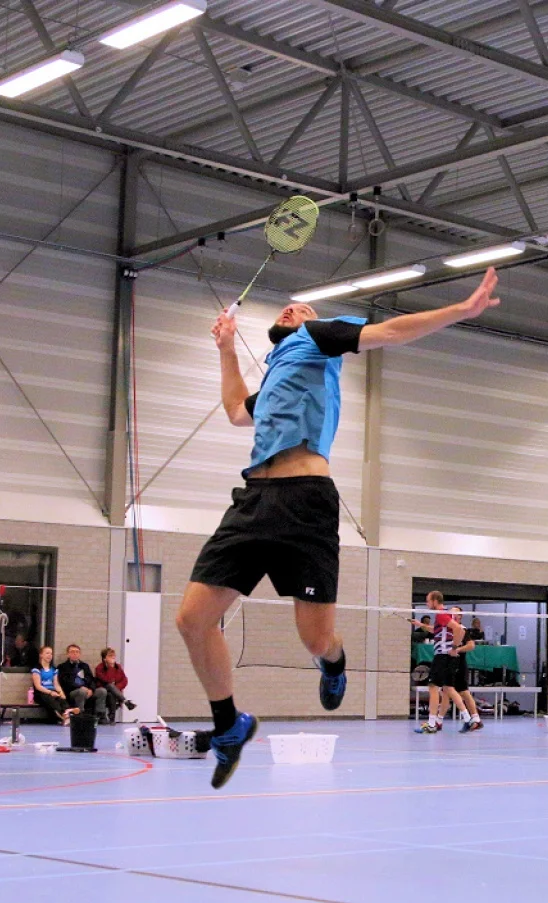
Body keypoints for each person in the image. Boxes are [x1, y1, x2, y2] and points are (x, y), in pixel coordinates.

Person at [174, 268, 501, 788]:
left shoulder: (317, 338)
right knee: (193, 619)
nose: (292, 309)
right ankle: (228, 724)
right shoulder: (280, 372)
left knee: (315, 638)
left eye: (302, 306)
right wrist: (227, 349)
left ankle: (333, 662)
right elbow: (238, 411)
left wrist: (460, 310)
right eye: (287, 308)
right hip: (254, 499)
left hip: (306, 501)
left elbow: (391, 333)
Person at [420, 593, 466, 734]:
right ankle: (466, 718)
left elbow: (458, 629)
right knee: (445, 689)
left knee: (433, 687)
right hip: (445, 656)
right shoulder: (444, 615)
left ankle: (432, 723)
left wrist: (454, 648)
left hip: (442, 656)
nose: (427, 604)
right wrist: (421, 625)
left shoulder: (441, 614)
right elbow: (439, 631)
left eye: (428, 601)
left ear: (435, 601)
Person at [56, 644, 106, 720]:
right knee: (81, 691)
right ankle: (80, 714)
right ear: (68, 654)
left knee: (102, 691)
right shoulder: (62, 667)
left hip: (87, 690)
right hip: (72, 692)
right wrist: (80, 687)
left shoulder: (84, 665)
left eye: (77, 652)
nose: (75, 654)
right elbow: (65, 682)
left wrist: (91, 689)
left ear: (80, 654)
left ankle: (100, 715)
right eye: (72, 652)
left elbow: (91, 679)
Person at [29, 645, 74, 724]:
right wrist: (50, 692)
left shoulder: (54, 669)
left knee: (62, 700)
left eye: (51, 654)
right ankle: (64, 717)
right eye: (47, 653)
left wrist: (61, 693)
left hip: (53, 691)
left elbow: (56, 684)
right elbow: (38, 686)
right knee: (52, 701)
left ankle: (68, 715)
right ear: (41, 655)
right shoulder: (36, 669)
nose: (49, 655)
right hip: (41, 693)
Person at [94, 647, 138, 724]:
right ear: (104, 658)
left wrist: (116, 688)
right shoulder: (99, 668)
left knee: (112, 693)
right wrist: (110, 667)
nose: (113, 657)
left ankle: (112, 718)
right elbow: (107, 680)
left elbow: (124, 680)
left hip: (113, 691)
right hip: (103, 689)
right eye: (110, 656)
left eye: (113, 655)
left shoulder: (118, 667)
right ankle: (126, 702)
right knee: (110, 686)